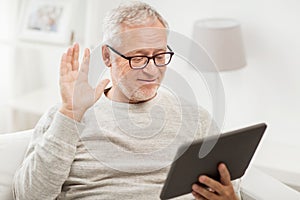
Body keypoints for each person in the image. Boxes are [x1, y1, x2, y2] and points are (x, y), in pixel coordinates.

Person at [13, 1, 240, 200]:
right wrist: (70, 112)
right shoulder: (64, 117)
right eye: (138, 58)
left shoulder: (196, 119)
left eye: (160, 56)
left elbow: (228, 187)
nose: (152, 70)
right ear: (107, 56)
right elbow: (29, 196)